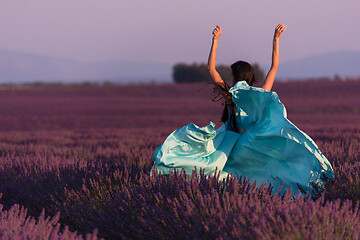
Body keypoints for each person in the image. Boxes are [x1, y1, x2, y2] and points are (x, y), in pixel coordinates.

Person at [151, 24, 334, 197]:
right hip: (251, 142)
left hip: (232, 143)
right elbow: (274, 67)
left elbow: (211, 69)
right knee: (270, 172)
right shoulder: (260, 95)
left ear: (235, 76)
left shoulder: (231, 96)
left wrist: (215, 40)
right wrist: (276, 40)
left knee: (216, 169)